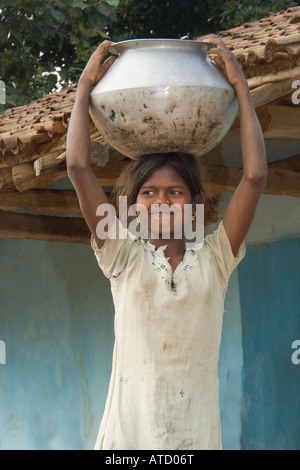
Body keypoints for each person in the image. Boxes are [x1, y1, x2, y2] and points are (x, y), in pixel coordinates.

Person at [66, 39, 267, 450]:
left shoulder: (214, 259)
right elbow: (77, 166)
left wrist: (241, 89)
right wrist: (84, 88)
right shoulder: (122, 256)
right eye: (149, 193)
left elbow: (255, 177)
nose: (160, 202)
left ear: (194, 205)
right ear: (133, 206)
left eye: (174, 192)